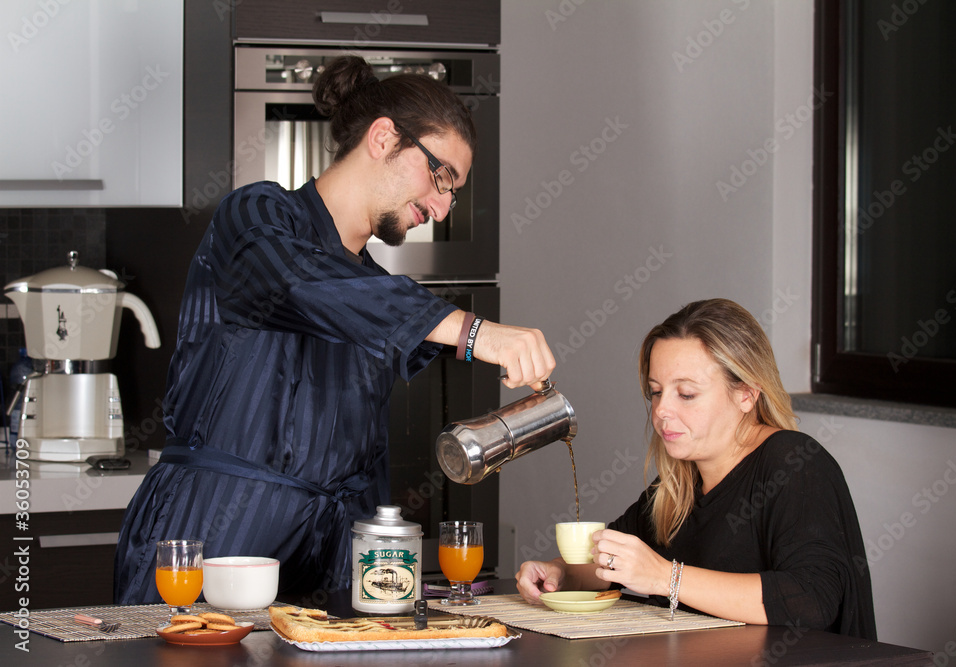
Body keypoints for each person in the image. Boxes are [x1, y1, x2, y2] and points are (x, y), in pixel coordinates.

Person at [114, 55, 555, 604]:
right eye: (441, 177)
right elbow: (295, 282)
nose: (442, 208)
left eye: (454, 192)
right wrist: (471, 331)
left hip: (324, 555)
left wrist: (383, 581)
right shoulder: (255, 216)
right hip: (211, 535)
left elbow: (362, 461)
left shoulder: (374, 287)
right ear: (384, 138)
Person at [516, 298, 876, 639]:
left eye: (685, 394)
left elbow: (811, 599)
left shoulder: (795, 463)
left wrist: (666, 578)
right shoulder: (679, 482)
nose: (661, 411)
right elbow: (613, 566)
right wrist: (559, 572)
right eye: (656, 392)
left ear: (746, 395)